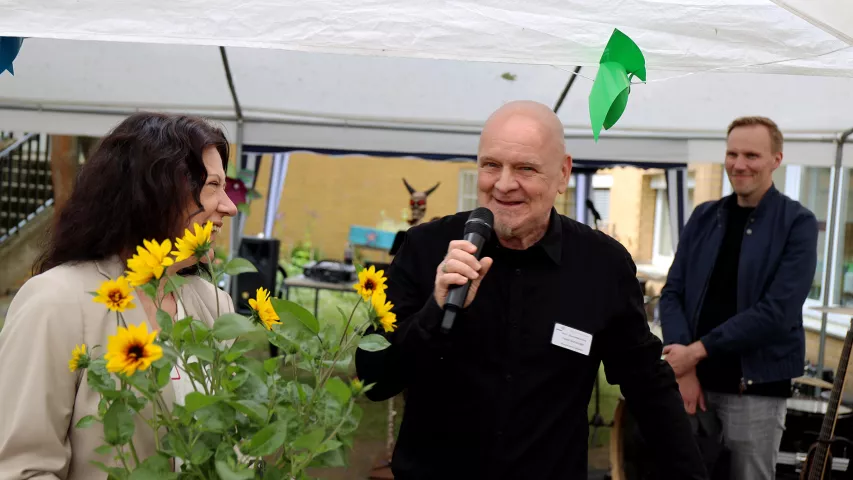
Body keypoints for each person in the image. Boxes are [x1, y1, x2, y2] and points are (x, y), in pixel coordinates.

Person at [355, 100, 707, 480]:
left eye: (525, 168)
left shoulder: (601, 265)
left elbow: (648, 387)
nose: (504, 184)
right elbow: (373, 379)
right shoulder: (425, 249)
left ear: (562, 174)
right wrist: (433, 312)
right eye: (491, 165)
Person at [0, 113, 239, 478]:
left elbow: (229, 445)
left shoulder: (215, 306)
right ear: (155, 189)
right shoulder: (55, 301)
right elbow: (22, 467)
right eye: (212, 185)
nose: (229, 206)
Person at [659, 116, 818, 480]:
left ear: (776, 159)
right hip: (694, 386)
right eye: (732, 154)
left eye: (751, 155)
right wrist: (684, 367)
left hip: (756, 391)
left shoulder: (797, 223)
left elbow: (777, 311)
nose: (739, 164)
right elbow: (672, 293)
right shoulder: (703, 217)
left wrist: (694, 352)